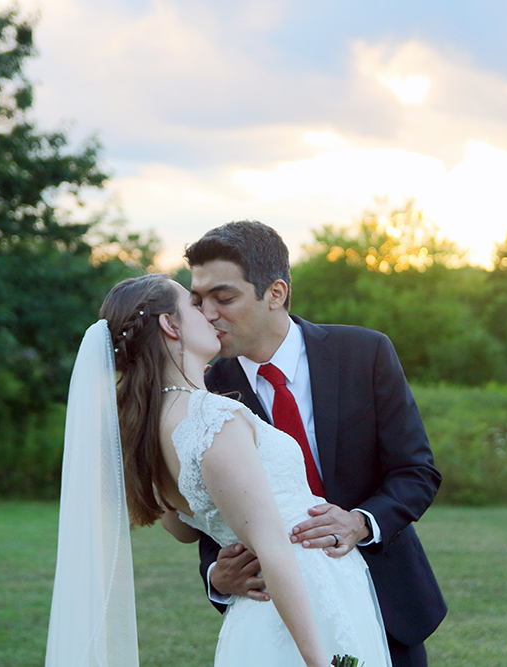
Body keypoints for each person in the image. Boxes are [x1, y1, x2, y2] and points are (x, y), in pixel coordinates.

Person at [44, 274, 392, 667]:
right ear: (169, 325)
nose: (208, 313)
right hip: (302, 606)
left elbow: (181, 527)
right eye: (193, 305)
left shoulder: (145, 430)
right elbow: (273, 547)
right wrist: (317, 661)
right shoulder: (212, 416)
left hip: (267, 606)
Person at [185, 221, 447, 667]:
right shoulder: (203, 393)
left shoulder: (365, 353)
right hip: (274, 616)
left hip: (386, 600)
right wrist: (216, 574)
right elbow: (209, 509)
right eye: (197, 300)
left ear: (276, 293)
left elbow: (416, 471)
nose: (207, 313)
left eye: (223, 298)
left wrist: (360, 522)